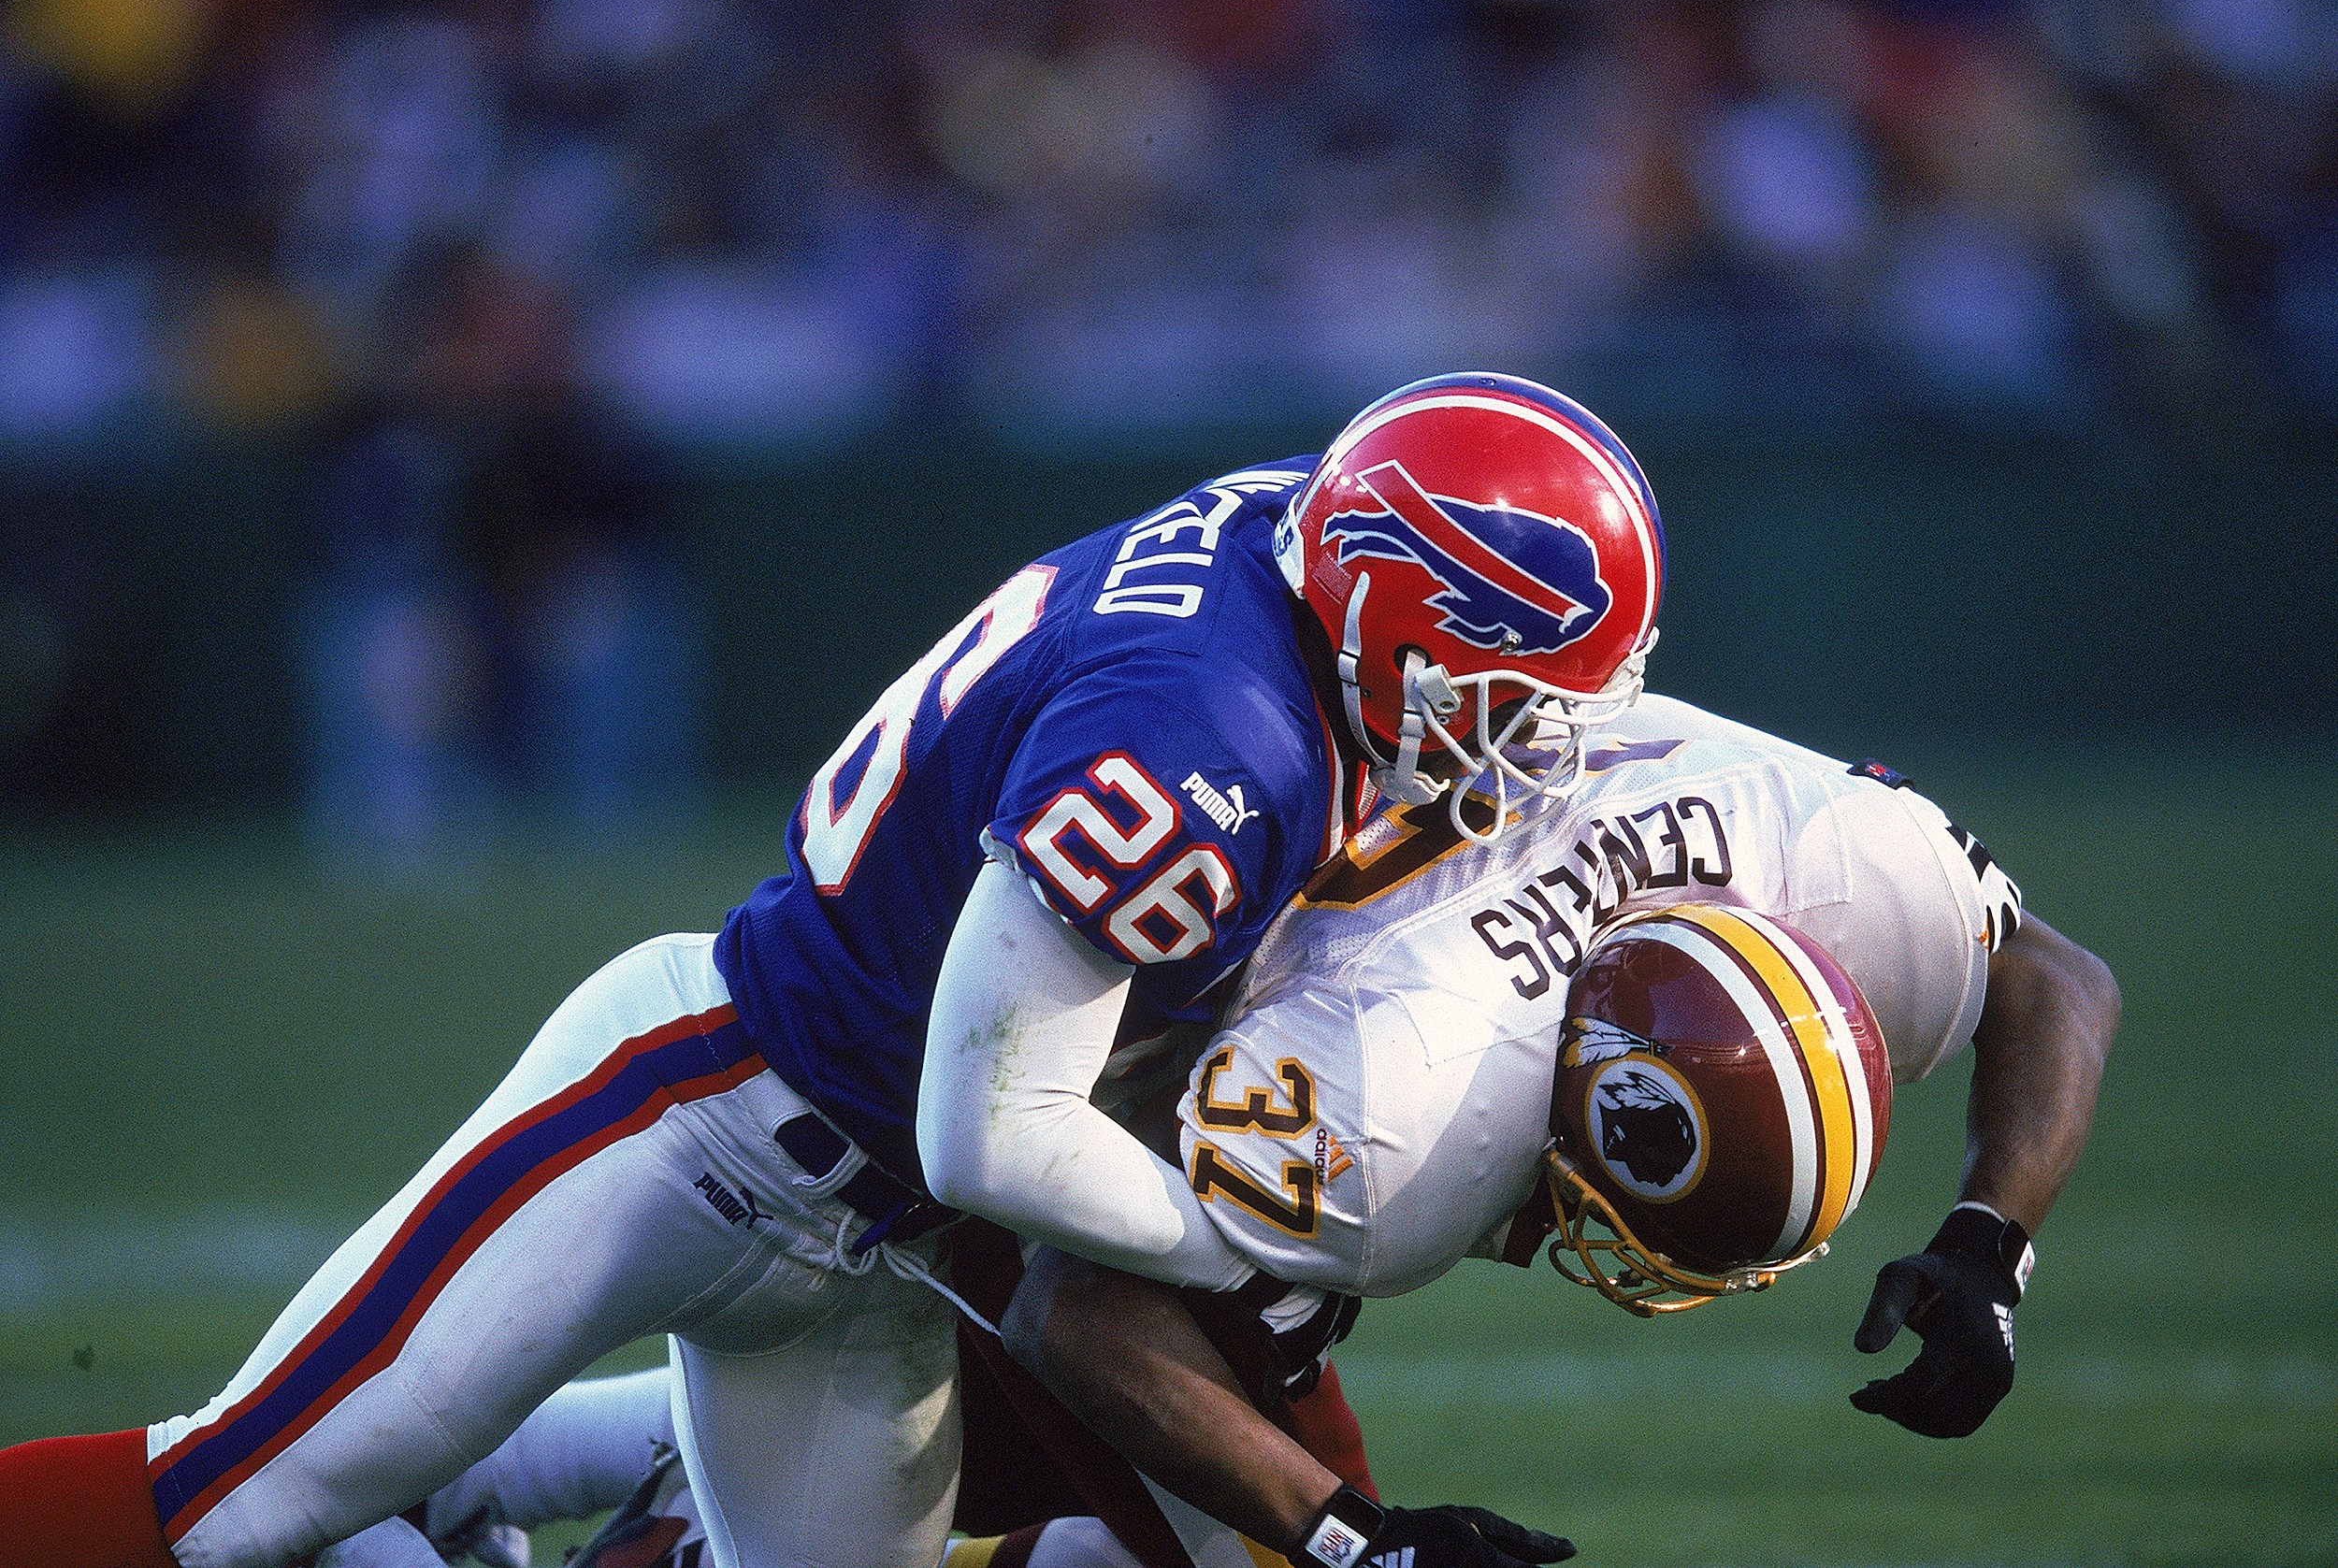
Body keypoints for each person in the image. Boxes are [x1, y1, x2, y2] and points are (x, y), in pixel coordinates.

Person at [0, 373, 1664, 1568]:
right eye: (1516, 690)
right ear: (1398, 621)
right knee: (232, 1503)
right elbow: (989, 1133)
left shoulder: (1297, 547)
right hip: (693, 1114)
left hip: (869, 1263)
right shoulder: (1212, 746)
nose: (1531, 744)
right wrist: (1244, 1258)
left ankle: (457, 1499)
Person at [313, 693, 2118, 1568]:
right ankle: (644, 1529)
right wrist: (1357, 1536)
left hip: (1300, 979)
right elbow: (1078, 1316)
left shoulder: (1850, 876)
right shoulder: (1401, 1114)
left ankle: (529, 1468)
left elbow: (2055, 971)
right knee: (1233, 1518)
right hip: (1087, 1060)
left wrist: (1993, 1238)